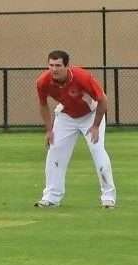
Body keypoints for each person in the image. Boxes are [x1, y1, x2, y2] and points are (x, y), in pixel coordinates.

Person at [35, 50, 116, 209]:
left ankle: (108, 198)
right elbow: (43, 105)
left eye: (58, 65)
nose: (54, 69)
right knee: (55, 151)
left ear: (67, 66)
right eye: (51, 65)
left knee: (98, 151)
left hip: (91, 116)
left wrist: (95, 126)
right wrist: (49, 130)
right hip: (66, 116)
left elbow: (103, 100)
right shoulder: (42, 81)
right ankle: (51, 197)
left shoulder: (82, 77)